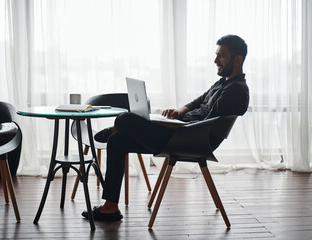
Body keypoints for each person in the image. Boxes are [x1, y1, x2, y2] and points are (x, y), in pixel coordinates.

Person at [82, 34, 249, 221]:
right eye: (216, 55)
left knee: (124, 120)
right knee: (116, 142)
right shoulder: (224, 83)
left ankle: (117, 127)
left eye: (221, 56)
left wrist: (170, 125)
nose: (215, 60)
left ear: (238, 59)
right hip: (181, 132)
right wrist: (177, 113)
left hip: (191, 140)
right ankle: (110, 208)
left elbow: (208, 125)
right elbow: (198, 101)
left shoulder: (236, 90)